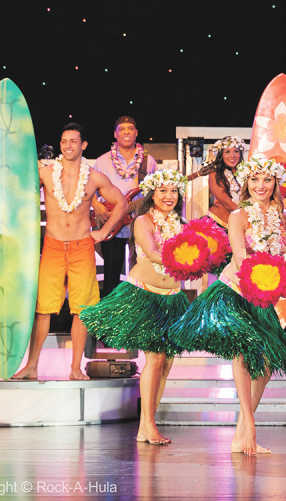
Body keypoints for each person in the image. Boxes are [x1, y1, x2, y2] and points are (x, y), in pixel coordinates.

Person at [0, 122, 128, 380]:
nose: (68, 145)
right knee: (43, 309)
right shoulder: (46, 173)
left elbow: (121, 203)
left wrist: (103, 232)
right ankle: (32, 365)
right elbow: (10, 187)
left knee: (82, 310)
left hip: (81, 247)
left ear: (83, 145)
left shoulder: (94, 177)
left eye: (73, 141)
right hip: (52, 245)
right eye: (64, 141)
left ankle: (75, 368)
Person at [170, 154, 286, 456]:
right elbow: (241, 256)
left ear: (275, 183)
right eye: (254, 179)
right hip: (238, 289)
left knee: (267, 363)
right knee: (244, 353)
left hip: (265, 295)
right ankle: (249, 427)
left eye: (266, 179)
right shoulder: (238, 216)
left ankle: (244, 426)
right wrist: (263, 275)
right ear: (246, 182)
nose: (260, 185)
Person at [80, 169, 189, 445]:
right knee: (154, 359)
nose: (168, 196)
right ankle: (148, 425)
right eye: (163, 191)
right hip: (146, 295)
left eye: (173, 191)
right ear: (153, 194)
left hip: (172, 297)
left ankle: (146, 424)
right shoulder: (143, 221)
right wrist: (189, 257)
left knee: (166, 363)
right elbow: (152, 252)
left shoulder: (181, 223)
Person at [91, 116, 158, 297]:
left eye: (130, 128)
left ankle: (140, 316)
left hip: (139, 224)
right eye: (122, 129)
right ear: (115, 134)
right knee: (111, 275)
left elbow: (156, 192)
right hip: (111, 224)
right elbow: (89, 190)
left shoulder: (148, 162)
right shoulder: (102, 161)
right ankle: (109, 318)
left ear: (136, 133)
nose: (126, 132)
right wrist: (97, 206)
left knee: (142, 274)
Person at [207, 136, 247, 229]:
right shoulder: (215, 172)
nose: (232, 156)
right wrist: (247, 216)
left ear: (240, 154)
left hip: (238, 222)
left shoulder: (244, 172)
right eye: (227, 152)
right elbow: (225, 200)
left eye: (236, 151)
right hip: (219, 222)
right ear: (221, 155)